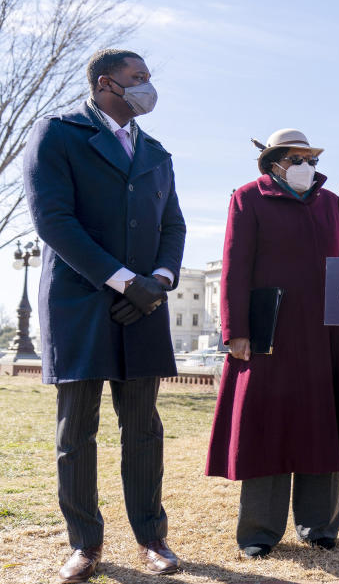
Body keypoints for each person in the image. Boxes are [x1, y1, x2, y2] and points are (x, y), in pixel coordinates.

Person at [22, 49, 186, 582]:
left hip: (145, 304)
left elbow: (174, 227)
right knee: (78, 431)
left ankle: (152, 537)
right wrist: (121, 279)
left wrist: (158, 281)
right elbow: (53, 220)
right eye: (137, 78)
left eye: (148, 77)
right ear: (104, 83)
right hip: (82, 302)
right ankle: (85, 544)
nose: (147, 86)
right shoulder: (56, 133)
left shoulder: (158, 151)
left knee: (143, 429)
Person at [206, 129, 339, 559]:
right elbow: (234, 267)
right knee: (265, 428)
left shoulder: (331, 203)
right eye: (297, 158)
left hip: (325, 332)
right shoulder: (247, 198)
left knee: (322, 426)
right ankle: (259, 531)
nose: (307, 166)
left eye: (311, 158)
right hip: (269, 332)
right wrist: (234, 330)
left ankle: (319, 526)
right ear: (275, 162)